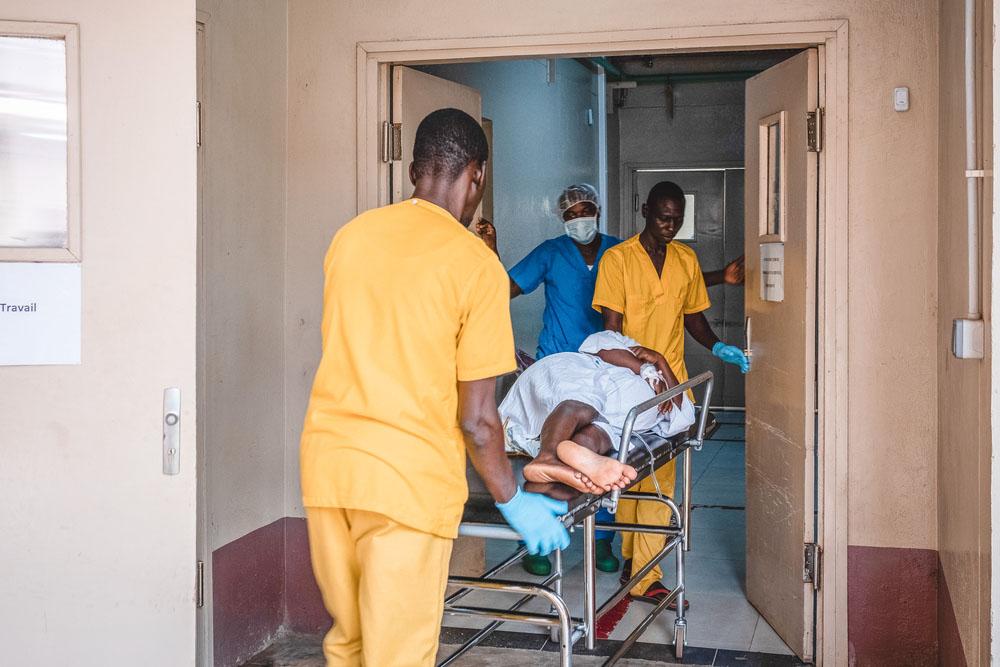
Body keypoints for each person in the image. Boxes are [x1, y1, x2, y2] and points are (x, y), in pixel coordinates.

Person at [299, 108, 570, 667]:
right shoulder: (475, 265)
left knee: (348, 647)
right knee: (398, 656)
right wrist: (513, 500)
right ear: (478, 176)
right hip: (406, 486)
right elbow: (477, 417)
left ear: (414, 170)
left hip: (330, 473)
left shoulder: (350, 239)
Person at [477, 184, 744, 577]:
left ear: (598, 211)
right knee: (566, 425)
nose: (579, 220)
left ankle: (609, 544)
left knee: (602, 446)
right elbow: (508, 290)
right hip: (576, 361)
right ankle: (536, 534)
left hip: (623, 370)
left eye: (585, 211)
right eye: (571, 214)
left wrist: (711, 341)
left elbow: (678, 287)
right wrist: (489, 249)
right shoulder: (572, 255)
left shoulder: (624, 252)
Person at [592, 180, 749, 609]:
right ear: (645, 211)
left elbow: (693, 317)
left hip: (673, 388)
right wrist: (640, 364)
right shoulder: (618, 260)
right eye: (664, 217)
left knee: (662, 478)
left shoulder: (685, 259)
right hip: (629, 384)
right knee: (629, 471)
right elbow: (610, 329)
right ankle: (632, 558)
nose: (670, 226)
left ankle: (646, 575)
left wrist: (716, 345)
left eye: (677, 219)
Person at [500, 330, 696, 495]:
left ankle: (577, 461)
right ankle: (547, 457)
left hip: (612, 423)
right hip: (580, 375)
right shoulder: (616, 354)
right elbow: (602, 348)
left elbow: (683, 416)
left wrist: (661, 362)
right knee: (583, 402)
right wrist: (643, 367)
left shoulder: (665, 385)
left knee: (596, 436)